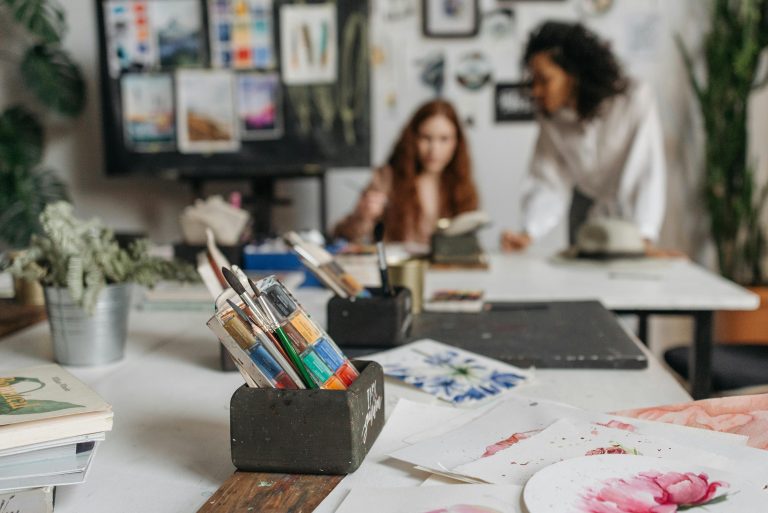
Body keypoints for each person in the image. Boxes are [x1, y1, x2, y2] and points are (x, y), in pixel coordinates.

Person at [501, 21, 667, 254]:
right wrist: (529, 232)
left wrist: (644, 235)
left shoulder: (633, 99)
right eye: (533, 81)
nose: (536, 90)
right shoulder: (552, 119)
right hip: (585, 214)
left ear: (574, 75)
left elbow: (647, 172)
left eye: (544, 80)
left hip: (631, 216)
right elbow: (548, 180)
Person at [333, 99, 479, 245]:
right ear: (413, 138)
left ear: (457, 142)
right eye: (426, 138)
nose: (434, 150)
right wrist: (363, 216)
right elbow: (341, 236)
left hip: (447, 267)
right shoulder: (387, 178)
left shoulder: (461, 183)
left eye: (444, 139)